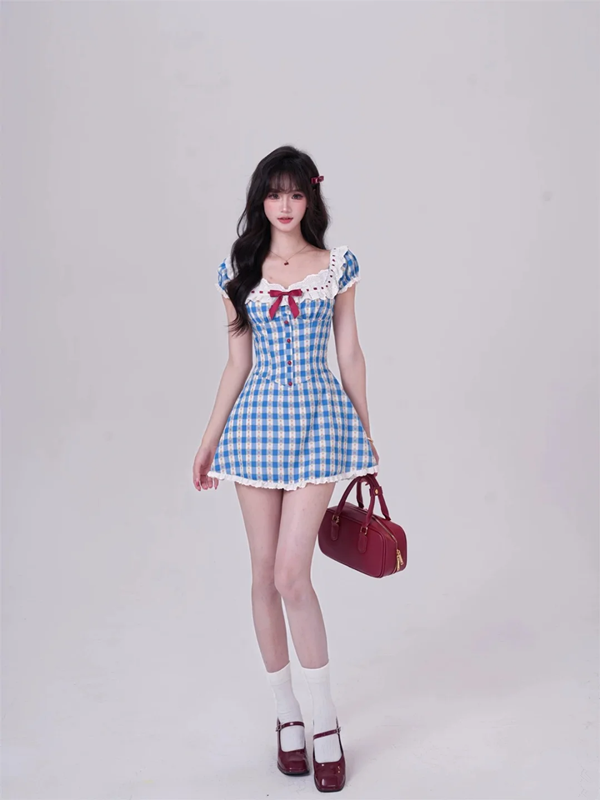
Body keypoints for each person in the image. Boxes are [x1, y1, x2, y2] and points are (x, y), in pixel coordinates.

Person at [192, 145, 379, 793]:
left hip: (319, 423)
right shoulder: (238, 270)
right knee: (263, 576)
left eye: (296, 193)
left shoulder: (337, 265)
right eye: (274, 193)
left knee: (292, 575)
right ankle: (286, 715)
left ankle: (324, 720)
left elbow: (349, 352)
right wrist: (208, 440)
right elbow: (236, 363)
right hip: (255, 427)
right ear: (260, 199)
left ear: (310, 198)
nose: (285, 205)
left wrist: (364, 431)